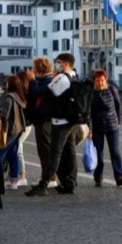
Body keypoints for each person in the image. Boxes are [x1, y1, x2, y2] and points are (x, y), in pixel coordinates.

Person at [26, 53, 78, 197]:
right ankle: (70, 183)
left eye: (59, 62)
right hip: (71, 121)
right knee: (70, 152)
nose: (57, 65)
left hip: (60, 122)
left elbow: (46, 94)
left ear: (66, 64)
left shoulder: (61, 78)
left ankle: (44, 184)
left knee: (54, 153)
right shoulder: (74, 76)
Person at [87, 69, 122, 187]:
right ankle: (98, 177)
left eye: (102, 80)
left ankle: (119, 177)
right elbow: (89, 113)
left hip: (112, 125)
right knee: (99, 154)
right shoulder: (91, 94)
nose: (100, 83)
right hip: (97, 127)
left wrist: (119, 121)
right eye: (98, 81)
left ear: (106, 80)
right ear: (94, 81)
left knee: (115, 152)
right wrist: (90, 129)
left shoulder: (112, 90)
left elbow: (118, 106)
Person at [26, 57, 57, 188]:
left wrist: (32, 80)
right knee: (43, 150)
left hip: (45, 121)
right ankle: (46, 176)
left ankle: (50, 178)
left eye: (35, 68)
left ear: (39, 69)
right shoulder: (45, 80)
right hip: (41, 120)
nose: (33, 70)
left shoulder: (49, 80)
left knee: (45, 150)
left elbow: (38, 92)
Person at [0, 75, 27, 190]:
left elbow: (4, 115)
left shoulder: (9, 98)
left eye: (6, 82)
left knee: (1, 152)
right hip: (19, 128)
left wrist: (4, 130)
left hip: (11, 129)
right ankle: (14, 181)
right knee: (13, 154)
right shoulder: (19, 97)